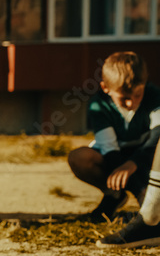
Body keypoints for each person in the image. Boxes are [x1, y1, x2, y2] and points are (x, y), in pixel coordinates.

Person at [68, 52, 160, 223]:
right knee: (79, 158)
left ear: (144, 85)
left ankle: (149, 200)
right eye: (124, 98)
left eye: (138, 95)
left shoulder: (155, 96)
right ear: (106, 88)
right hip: (114, 161)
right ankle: (114, 195)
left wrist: (133, 165)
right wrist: (139, 190)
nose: (131, 104)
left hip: (148, 157)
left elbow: (157, 137)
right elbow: (110, 150)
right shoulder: (98, 105)